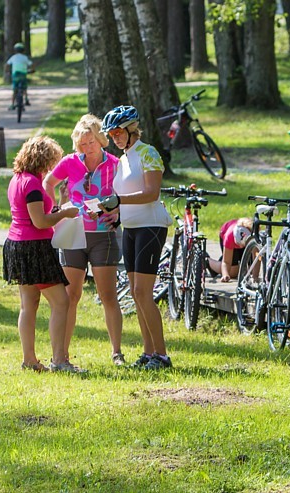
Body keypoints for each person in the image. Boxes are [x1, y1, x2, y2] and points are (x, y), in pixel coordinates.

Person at [43, 114, 125, 366]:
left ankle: (117, 352)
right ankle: (62, 354)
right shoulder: (69, 162)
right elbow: (48, 183)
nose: (87, 148)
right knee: (70, 295)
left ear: (102, 140)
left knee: (108, 294)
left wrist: (115, 213)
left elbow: (124, 196)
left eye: (91, 143)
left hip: (104, 236)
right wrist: (55, 209)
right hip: (73, 234)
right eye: (82, 144)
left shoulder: (115, 164)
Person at [99, 105, 174, 370]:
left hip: (151, 226)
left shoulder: (148, 152)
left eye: (119, 132)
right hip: (130, 228)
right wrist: (115, 213)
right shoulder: (123, 158)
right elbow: (126, 197)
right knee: (135, 291)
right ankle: (148, 351)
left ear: (132, 130)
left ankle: (162, 356)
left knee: (143, 292)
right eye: (111, 134)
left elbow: (151, 193)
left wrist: (118, 200)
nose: (115, 138)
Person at [3, 136, 83, 373]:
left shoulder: (17, 179)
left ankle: (29, 360)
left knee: (28, 305)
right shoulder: (33, 185)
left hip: (16, 244)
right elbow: (39, 222)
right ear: (42, 159)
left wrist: (59, 206)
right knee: (62, 301)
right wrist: (65, 214)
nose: (51, 167)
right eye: (51, 161)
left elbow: (35, 214)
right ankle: (60, 360)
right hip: (34, 248)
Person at [208, 218, 253, 282]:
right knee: (233, 273)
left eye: (243, 245)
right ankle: (207, 261)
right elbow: (226, 262)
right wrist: (225, 275)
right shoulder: (229, 236)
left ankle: (227, 257)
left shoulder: (253, 236)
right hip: (229, 240)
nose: (241, 246)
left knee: (249, 269)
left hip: (245, 240)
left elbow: (256, 259)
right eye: (239, 244)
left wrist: (255, 277)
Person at [5, 42, 33, 110]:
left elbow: (7, 65)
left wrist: (7, 71)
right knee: (24, 88)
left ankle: (12, 104)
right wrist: (32, 70)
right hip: (23, 74)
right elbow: (31, 64)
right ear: (23, 50)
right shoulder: (25, 57)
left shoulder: (13, 57)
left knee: (15, 90)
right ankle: (26, 99)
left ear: (15, 50)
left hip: (15, 74)